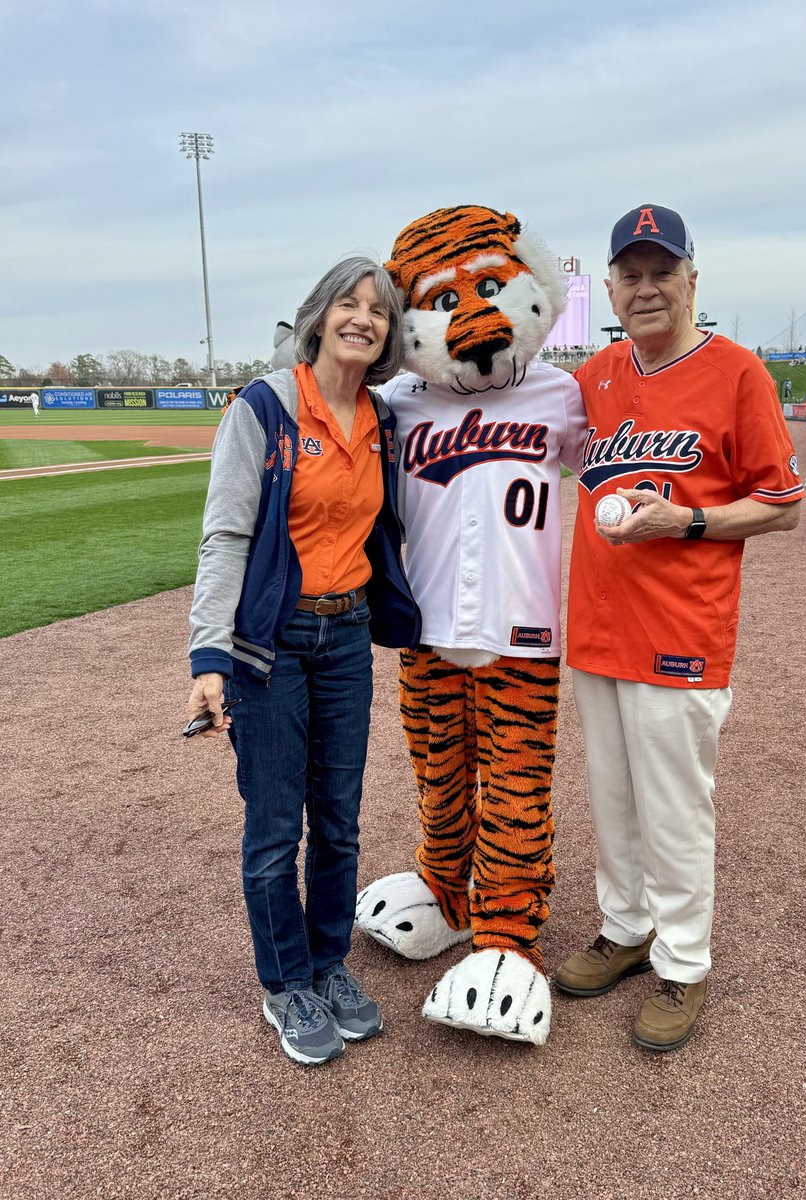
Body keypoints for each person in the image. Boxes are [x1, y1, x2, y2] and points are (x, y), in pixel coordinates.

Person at [555, 204, 803, 1052]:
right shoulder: (593, 377)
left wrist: (686, 524)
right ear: (613, 287)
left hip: (681, 629)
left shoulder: (737, 372)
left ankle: (684, 962)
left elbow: (781, 506)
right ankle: (626, 931)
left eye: (664, 271)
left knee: (675, 808)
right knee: (614, 801)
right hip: (595, 625)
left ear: (693, 278)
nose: (648, 286)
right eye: (632, 273)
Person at [186, 257, 421, 1067]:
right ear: (319, 316)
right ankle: (285, 981)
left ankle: (327, 965)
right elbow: (226, 536)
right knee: (274, 827)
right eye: (350, 305)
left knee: (341, 819)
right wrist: (208, 654)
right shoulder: (264, 407)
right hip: (272, 645)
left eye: (380, 311)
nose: (364, 319)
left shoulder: (382, 418)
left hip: (347, 635)